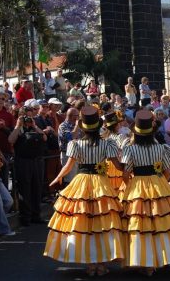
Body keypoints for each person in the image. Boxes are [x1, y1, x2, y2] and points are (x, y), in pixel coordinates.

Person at [44, 106, 124, 276]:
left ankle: (90, 263)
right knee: (102, 223)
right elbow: (116, 164)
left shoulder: (76, 143)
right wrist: (131, 170)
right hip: (101, 183)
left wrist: (58, 177)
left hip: (81, 182)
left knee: (82, 222)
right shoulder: (107, 143)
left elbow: (68, 165)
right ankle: (101, 262)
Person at [119, 110, 170, 275]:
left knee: (142, 223)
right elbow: (169, 170)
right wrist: (162, 180)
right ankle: (165, 256)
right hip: (158, 183)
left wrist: (130, 185)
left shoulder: (130, 149)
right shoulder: (161, 147)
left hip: (138, 185)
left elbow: (125, 173)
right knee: (163, 221)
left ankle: (147, 262)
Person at [8, 111, 47, 226]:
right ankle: (25, 217)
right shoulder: (18, 129)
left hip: (37, 161)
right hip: (23, 162)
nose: (28, 120)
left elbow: (44, 137)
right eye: (25, 117)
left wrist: (34, 125)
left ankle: (36, 215)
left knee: (37, 187)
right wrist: (18, 125)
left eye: (30, 117)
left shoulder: (35, 128)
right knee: (25, 189)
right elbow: (11, 140)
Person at [57, 108, 80, 185]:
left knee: (79, 180)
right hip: (68, 155)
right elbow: (71, 137)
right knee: (70, 180)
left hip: (79, 155)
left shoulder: (79, 125)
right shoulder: (63, 126)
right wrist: (77, 126)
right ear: (70, 116)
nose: (78, 118)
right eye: (77, 116)